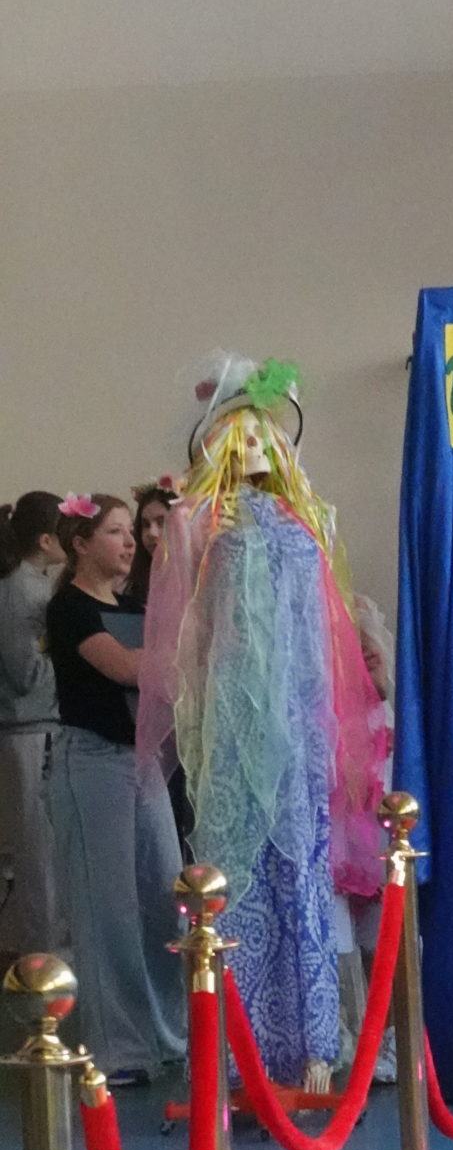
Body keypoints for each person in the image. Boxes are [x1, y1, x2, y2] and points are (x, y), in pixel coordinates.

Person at [139, 356, 385, 1092]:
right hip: (232, 715)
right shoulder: (196, 521)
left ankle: (313, 1043)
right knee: (233, 876)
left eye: (261, 435)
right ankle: (235, 1050)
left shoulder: (311, 517)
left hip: (300, 720)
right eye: (236, 436)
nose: (250, 448)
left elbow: (329, 627)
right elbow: (186, 631)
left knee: (303, 874)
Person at [44, 494, 186, 1081]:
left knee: (164, 898)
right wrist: (178, 648)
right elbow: (126, 669)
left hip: (142, 760)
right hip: (94, 762)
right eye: (115, 532)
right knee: (109, 911)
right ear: (80, 544)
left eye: (131, 531)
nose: (130, 543)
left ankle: (169, 1035)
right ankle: (120, 1049)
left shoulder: (133, 606)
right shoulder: (70, 608)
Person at [0, 491, 66, 956]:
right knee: (39, 850)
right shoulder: (25, 591)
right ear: (46, 540)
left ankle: (41, 945)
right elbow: (26, 672)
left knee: (41, 847)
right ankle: (44, 953)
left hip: (34, 729)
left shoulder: (30, 585)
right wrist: (74, 655)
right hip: (29, 728)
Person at [127, 477, 179, 607]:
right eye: (145, 524)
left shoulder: (205, 581)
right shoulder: (131, 587)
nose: (151, 533)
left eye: (162, 522)